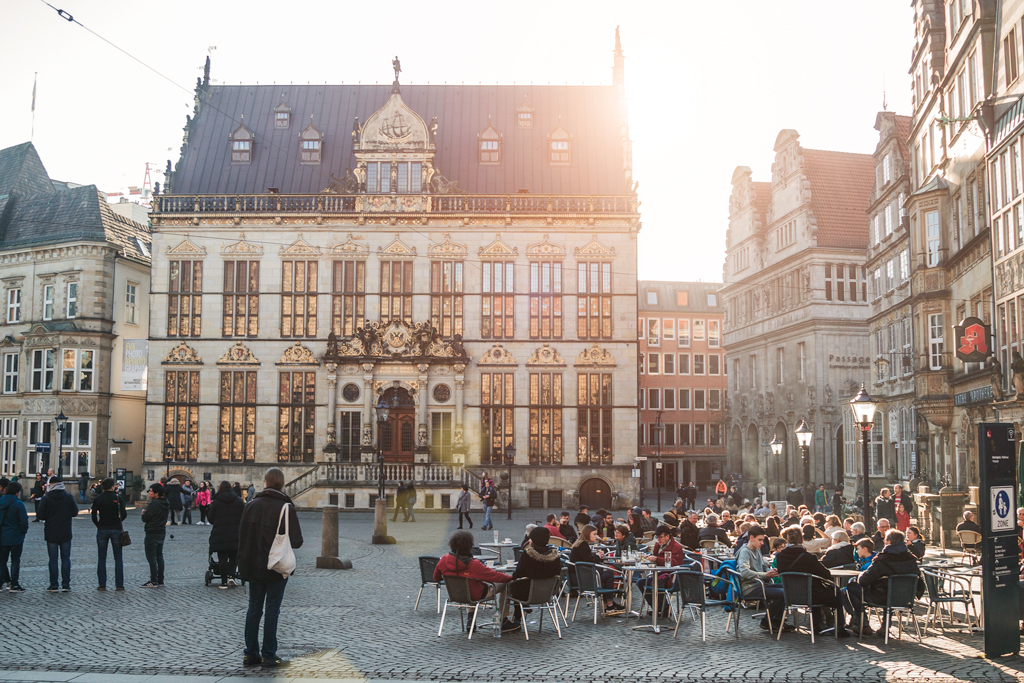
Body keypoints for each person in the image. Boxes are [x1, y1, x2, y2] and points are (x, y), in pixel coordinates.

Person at [237, 467, 303, 668]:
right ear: (281, 484)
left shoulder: (251, 504)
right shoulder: (285, 508)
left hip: (254, 564)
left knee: (254, 608)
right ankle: (268, 654)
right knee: (272, 608)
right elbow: (298, 541)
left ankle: (250, 653)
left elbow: (242, 534)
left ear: (265, 482)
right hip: (275, 566)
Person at [845, 529, 923, 637]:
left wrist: (860, 574)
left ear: (889, 542)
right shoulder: (911, 559)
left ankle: (863, 624)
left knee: (852, 587)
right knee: (890, 588)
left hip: (881, 597)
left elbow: (864, 581)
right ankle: (885, 626)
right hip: (906, 597)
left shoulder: (883, 560)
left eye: (885, 540)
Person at [775, 527, 848, 636]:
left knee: (816, 588)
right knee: (835, 590)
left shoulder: (780, 557)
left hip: (789, 594)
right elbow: (826, 574)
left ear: (787, 540)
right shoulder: (809, 558)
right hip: (812, 595)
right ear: (802, 540)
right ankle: (840, 625)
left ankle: (819, 624)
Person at [504, 526, 562, 631]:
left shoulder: (528, 555)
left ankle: (516, 619)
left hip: (526, 593)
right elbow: (558, 572)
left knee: (513, 585)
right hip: (547, 593)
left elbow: (518, 573)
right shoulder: (555, 556)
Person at [432, 530, 512, 603]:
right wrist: (511, 577)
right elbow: (494, 576)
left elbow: (436, 578)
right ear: (470, 546)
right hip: (477, 595)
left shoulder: (443, 560)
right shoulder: (473, 564)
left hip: (455, 595)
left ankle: (470, 615)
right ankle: (503, 616)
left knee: (469, 583)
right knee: (506, 584)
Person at [735, 525, 784, 630]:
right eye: (760, 540)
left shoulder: (756, 549)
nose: (762, 543)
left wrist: (770, 571)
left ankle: (776, 621)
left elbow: (762, 566)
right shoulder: (745, 552)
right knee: (783, 594)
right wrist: (765, 575)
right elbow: (744, 572)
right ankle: (769, 621)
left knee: (787, 588)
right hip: (750, 588)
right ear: (751, 538)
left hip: (759, 584)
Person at [37, 475, 79, 592]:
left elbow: (40, 515)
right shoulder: (68, 497)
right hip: (65, 531)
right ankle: (66, 584)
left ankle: (54, 585)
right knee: (66, 558)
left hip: (51, 531)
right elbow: (75, 512)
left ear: (51, 485)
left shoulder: (46, 498)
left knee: (53, 559)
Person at [570, 525, 623, 613]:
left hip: (577, 576)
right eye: (594, 534)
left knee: (605, 573)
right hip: (581, 579)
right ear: (587, 534)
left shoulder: (580, 544)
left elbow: (586, 558)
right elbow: (589, 561)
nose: (596, 536)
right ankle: (609, 604)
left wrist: (596, 555)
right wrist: (598, 556)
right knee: (609, 574)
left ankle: (607, 604)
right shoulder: (583, 545)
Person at [638, 525, 687, 617]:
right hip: (659, 574)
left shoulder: (676, 547)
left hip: (672, 576)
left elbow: (674, 563)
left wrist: (656, 559)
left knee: (655, 582)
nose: (658, 540)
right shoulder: (657, 545)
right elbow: (655, 560)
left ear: (667, 536)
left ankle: (664, 609)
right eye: (657, 537)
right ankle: (658, 608)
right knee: (641, 582)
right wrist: (649, 559)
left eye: (660, 537)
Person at [91, 477, 127, 591]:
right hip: (116, 528)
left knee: (101, 558)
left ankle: (102, 585)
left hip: (102, 529)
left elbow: (93, 516)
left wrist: (99, 524)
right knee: (118, 558)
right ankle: (119, 585)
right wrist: (118, 521)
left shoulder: (98, 499)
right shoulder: (118, 498)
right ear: (112, 487)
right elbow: (124, 514)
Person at [208, 480, 245, 589]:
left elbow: (210, 519)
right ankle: (231, 576)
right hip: (235, 533)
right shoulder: (238, 501)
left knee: (222, 557)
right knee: (234, 557)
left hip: (220, 533)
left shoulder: (216, 501)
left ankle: (223, 582)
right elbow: (244, 516)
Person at [0, 481, 29, 592]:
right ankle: (14, 584)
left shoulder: (1, 502)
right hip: (16, 536)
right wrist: (22, 532)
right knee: (15, 561)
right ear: (17, 492)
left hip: (3, 536)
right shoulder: (18, 504)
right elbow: (24, 521)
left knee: (2, 562)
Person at [141, 483, 169, 587]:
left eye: (151, 491)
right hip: (161, 531)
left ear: (156, 493)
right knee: (159, 556)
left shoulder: (154, 504)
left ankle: (153, 580)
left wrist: (144, 514)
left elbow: (145, 518)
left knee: (151, 557)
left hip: (152, 531)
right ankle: (160, 580)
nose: (149, 492)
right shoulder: (165, 503)